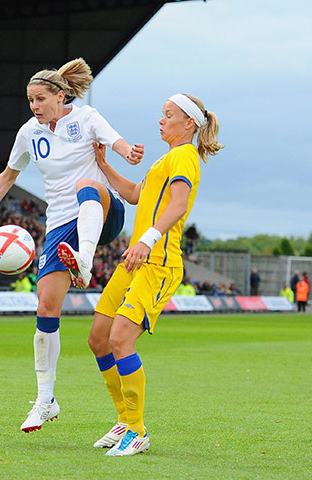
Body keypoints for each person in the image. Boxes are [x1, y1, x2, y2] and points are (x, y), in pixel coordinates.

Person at [0, 58, 144, 433]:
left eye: (40, 99)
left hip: (104, 212)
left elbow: (116, 142)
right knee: (45, 306)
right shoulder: (29, 133)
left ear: (60, 96)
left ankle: (85, 261)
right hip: (60, 225)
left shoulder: (87, 117)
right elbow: (8, 175)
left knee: (85, 188)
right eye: (30, 101)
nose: (35, 106)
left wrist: (128, 153)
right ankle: (46, 400)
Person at [87, 93, 223, 456]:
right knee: (99, 338)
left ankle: (137, 430)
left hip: (158, 263)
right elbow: (134, 194)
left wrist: (146, 239)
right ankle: (123, 420)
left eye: (168, 115)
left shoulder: (185, 156)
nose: (160, 121)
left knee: (120, 341)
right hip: (135, 261)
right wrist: (104, 166)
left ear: (189, 123)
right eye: (161, 115)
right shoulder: (166, 159)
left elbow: (178, 205)